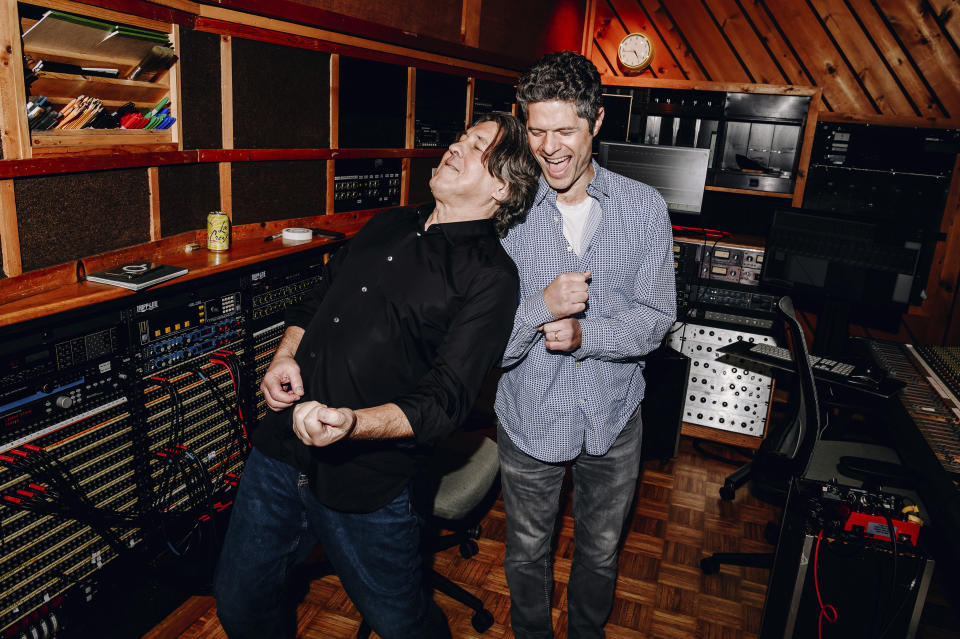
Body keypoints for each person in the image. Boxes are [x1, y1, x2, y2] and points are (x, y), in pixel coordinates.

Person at [213, 112, 540, 639]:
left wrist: (350, 425)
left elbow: (444, 403)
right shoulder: (387, 222)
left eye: (475, 145)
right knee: (239, 601)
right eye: (459, 136)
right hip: (277, 455)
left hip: (366, 481)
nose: (455, 146)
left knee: (400, 622)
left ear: (502, 186)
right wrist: (284, 355)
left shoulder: (491, 277)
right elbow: (316, 302)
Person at [495, 51, 677, 639]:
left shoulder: (643, 208)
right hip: (529, 416)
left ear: (596, 123)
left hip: (613, 418)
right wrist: (539, 311)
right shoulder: (507, 209)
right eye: (537, 130)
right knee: (525, 555)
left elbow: (657, 321)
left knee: (599, 555)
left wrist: (585, 335)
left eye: (565, 131)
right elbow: (488, 345)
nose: (549, 147)